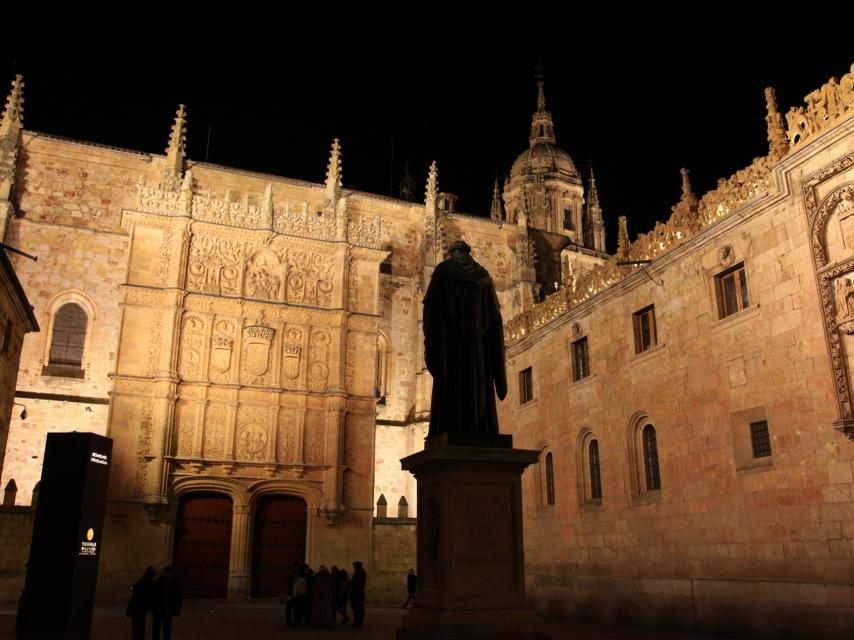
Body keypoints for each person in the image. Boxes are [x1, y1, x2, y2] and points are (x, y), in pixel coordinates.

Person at [422, 239, 507, 438]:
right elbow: (495, 317)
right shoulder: (484, 277)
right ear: (467, 253)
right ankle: (481, 429)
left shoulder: (443, 272)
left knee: (451, 389)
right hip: (479, 352)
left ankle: (450, 429)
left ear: (452, 253)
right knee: (478, 389)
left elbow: (431, 311)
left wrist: (432, 341)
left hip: (451, 349)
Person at [126, 566, 156, 640]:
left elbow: (134, 589)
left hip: (137, 606)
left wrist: (131, 588)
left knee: (136, 625)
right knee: (140, 625)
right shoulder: (151, 583)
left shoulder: (143, 581)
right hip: (142, 607)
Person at [153, 566, 182, 640]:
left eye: (168, 573)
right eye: (165, 573)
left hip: (168, 608)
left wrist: (176, 610)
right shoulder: (160, 580)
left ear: (172, 574)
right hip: (159, 608)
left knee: (167, 627)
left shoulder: (176, 583)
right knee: (156, 627)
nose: (166, 575)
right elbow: (154, 594)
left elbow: (179, 597)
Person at [349, 561, 367, 627]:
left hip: (357, 593)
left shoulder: (359, 573)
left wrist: (351, 581)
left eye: (354, 566)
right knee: (357, 608)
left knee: (357, 608)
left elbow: (356, 583)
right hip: (357, 592)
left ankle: (357, 622)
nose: (354, 568)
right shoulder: (360, 572)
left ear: (357, 567)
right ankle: (357, 621)